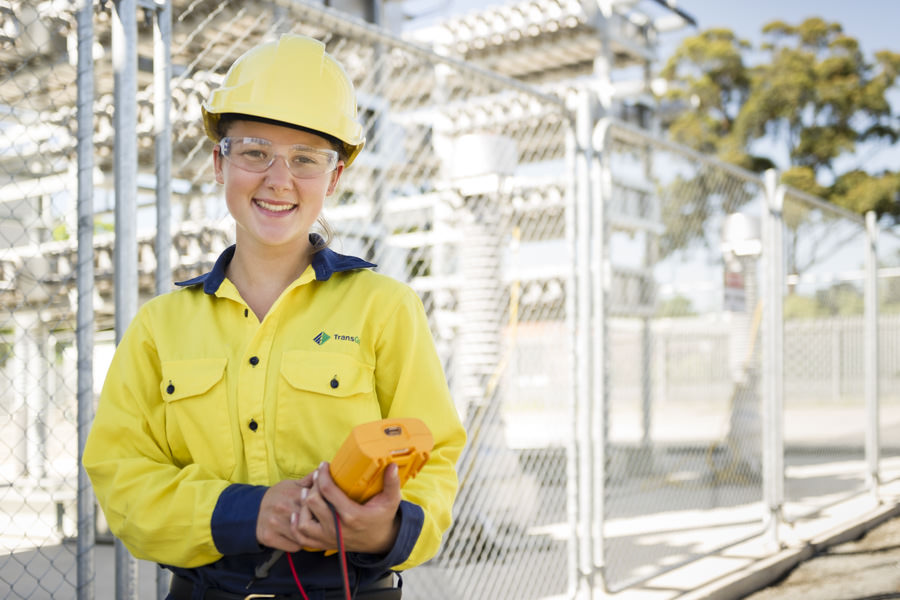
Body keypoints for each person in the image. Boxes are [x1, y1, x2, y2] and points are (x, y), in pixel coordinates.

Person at [83, 33, 466, 600]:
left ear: (334, 178)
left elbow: (435, 458)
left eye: (306, 159)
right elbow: (122, 476)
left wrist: (387, 527)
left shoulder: (385, 308)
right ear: (220, 163)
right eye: (255, 151)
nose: (278, 179)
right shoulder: (160, 328)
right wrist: (247, 513)